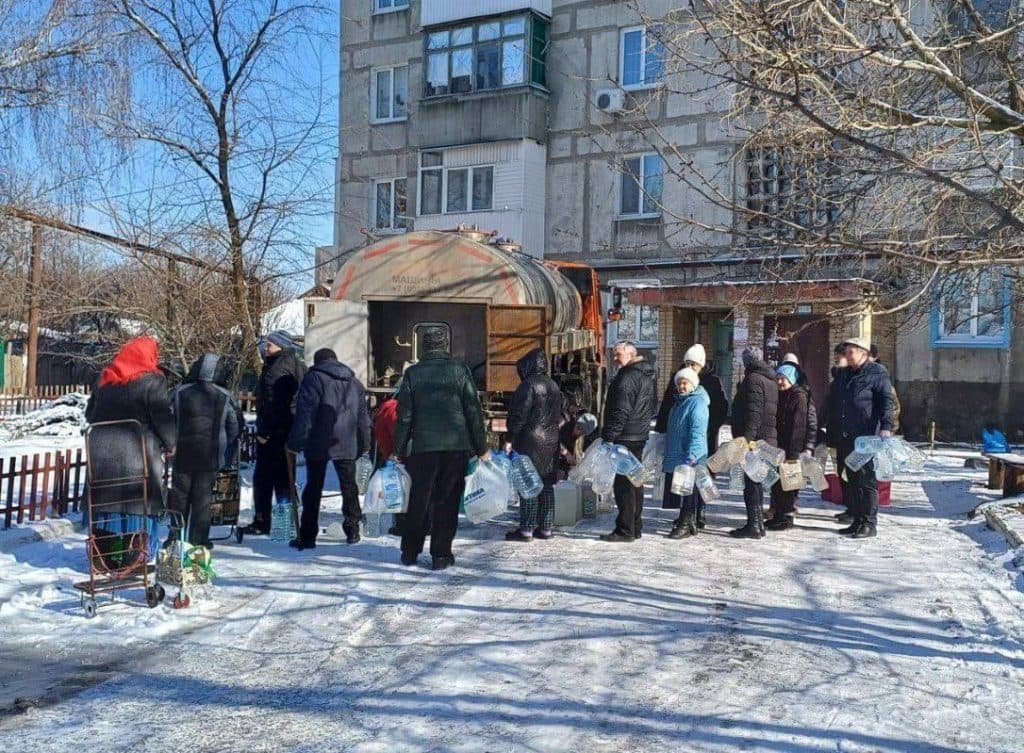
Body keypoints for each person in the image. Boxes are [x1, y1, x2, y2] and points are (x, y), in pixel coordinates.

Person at [392, 325, 489, 570]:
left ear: (424, 346)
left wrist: (399, 449)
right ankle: (441, 554)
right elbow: (473, 412)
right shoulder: (460, 371)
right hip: (456, 447)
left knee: (419, 499)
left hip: (423, 448)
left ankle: (410, 551)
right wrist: (481, 447)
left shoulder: (413, 374)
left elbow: (404, 416)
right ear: (446, 345)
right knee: (447, 500)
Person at [85, 336, 176, 558]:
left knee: (109, 501)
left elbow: (90, 415)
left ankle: (107, 553)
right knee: (140, 500)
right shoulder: (154, 381)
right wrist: (171, 443)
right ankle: (138, 553)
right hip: (138, 453)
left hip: (101, 455)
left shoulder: (105, 379)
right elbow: (161, 417)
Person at [287, 348, 371, 550]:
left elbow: (305, 414)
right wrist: (364, 443)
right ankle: (353, 530)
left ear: (318, 361)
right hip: (348, 440)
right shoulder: (354, 382)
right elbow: (363, 418)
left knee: (313, 488)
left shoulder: (313, 378)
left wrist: (296, 442)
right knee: (349, 487)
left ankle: (308, 537)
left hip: (319, 441)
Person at [170, 353, 241, 548]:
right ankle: (198, 539)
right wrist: (229, 449)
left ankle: (175, 537)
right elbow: (234, 426)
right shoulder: (224, 396)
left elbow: (169, 419)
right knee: (203, 500)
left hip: (182, 452)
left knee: (179, 497)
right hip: (211, 455)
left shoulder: (180, 392)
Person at [243, 330, 305, 536]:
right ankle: (286, 520)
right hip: (290, 429)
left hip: (275, 433)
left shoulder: (277, 369)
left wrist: (264, 431)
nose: (266, 348)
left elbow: (274, 404)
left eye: (270, 345)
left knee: (265, 478)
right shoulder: (296, 363)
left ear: (281, 346)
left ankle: (264, 521)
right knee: (285, 478)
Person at [832, 337, 895, 539]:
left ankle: (869, 523)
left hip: (866, 435)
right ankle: (857, 519)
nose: (847, 356)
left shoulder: (877, 374)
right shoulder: (845, 374)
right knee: (852, 479)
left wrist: (886, 426)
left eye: (851, 352)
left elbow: (887, 402)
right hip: (846, 434)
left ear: (863, 353)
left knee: (866, 480)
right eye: (846, 352)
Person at [599, 341, 657, 543]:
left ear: (631, 354)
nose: (615, 359)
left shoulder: (626, 378)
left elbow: (620, 411)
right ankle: (636, 526)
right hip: (639, 435)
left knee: (624, 486)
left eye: (618, 355)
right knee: (636, 481)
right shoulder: (647, 376)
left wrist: (609, 436)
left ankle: (625, 530)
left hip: (625, 437)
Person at [505, 348, 564, 542]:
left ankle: (526, 530)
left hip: (530, 439)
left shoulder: (527, 386)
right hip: (551, 438)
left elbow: (518, 416)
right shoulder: (553, 385)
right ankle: (546, 528)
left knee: (528, 482)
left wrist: (510, 437)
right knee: (546, 483)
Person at [728, 345, 779, 539]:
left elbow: (754, 414)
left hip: (755, 442)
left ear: (747, 361)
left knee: (752, 485)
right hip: (765, 438)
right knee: (755, 483)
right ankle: (757, 524)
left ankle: (754, 526)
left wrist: (746, 441)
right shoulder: (769, 380)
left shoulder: (753, 380)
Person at [766, 363, 816, 531]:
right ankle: (779, 515)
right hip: (779, 446)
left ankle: (786, 518)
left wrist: (793, 453)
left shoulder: (798, 396)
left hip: (791, 447)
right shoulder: (781, 394)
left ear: (792, 379)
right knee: (778, 484)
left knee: (789, 485)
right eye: (778, 378)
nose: (780, 382)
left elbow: (799, 426)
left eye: (783, 379)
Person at [662, 367, 709, 539]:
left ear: (693, 384)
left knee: (688, 491)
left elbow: (698, 431)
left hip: (690, 455)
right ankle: (688, 522)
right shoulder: (680, 402)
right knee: (684, 490)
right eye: (679, 383)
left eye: (685, 383)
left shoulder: (697, 403)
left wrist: (692, 455)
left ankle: (686, 523)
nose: (682, 386)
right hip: (679, 452)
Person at [819, 343, 852, 522]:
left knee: (852, 473)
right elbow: (828, 406)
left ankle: (856, 509)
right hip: (836, 433)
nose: (837, 360)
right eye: (837, 356)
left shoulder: (850, 379)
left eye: (840, 356)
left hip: (851, 435)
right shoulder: (837, 380)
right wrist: (820, 423)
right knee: (841, 472)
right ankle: (849, 507)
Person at [372, 387, 403, 535]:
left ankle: (400, 524)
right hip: (406, 455)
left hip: (394, 454)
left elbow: (382, 434)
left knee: (399, 490)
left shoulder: (387, 409)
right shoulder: (395, 410)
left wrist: (389, 454)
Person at [869, 344, 902, 434]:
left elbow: (892, 408)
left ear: (874, 357)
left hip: (879, 428)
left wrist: (888, 428)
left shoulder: (880, 375)